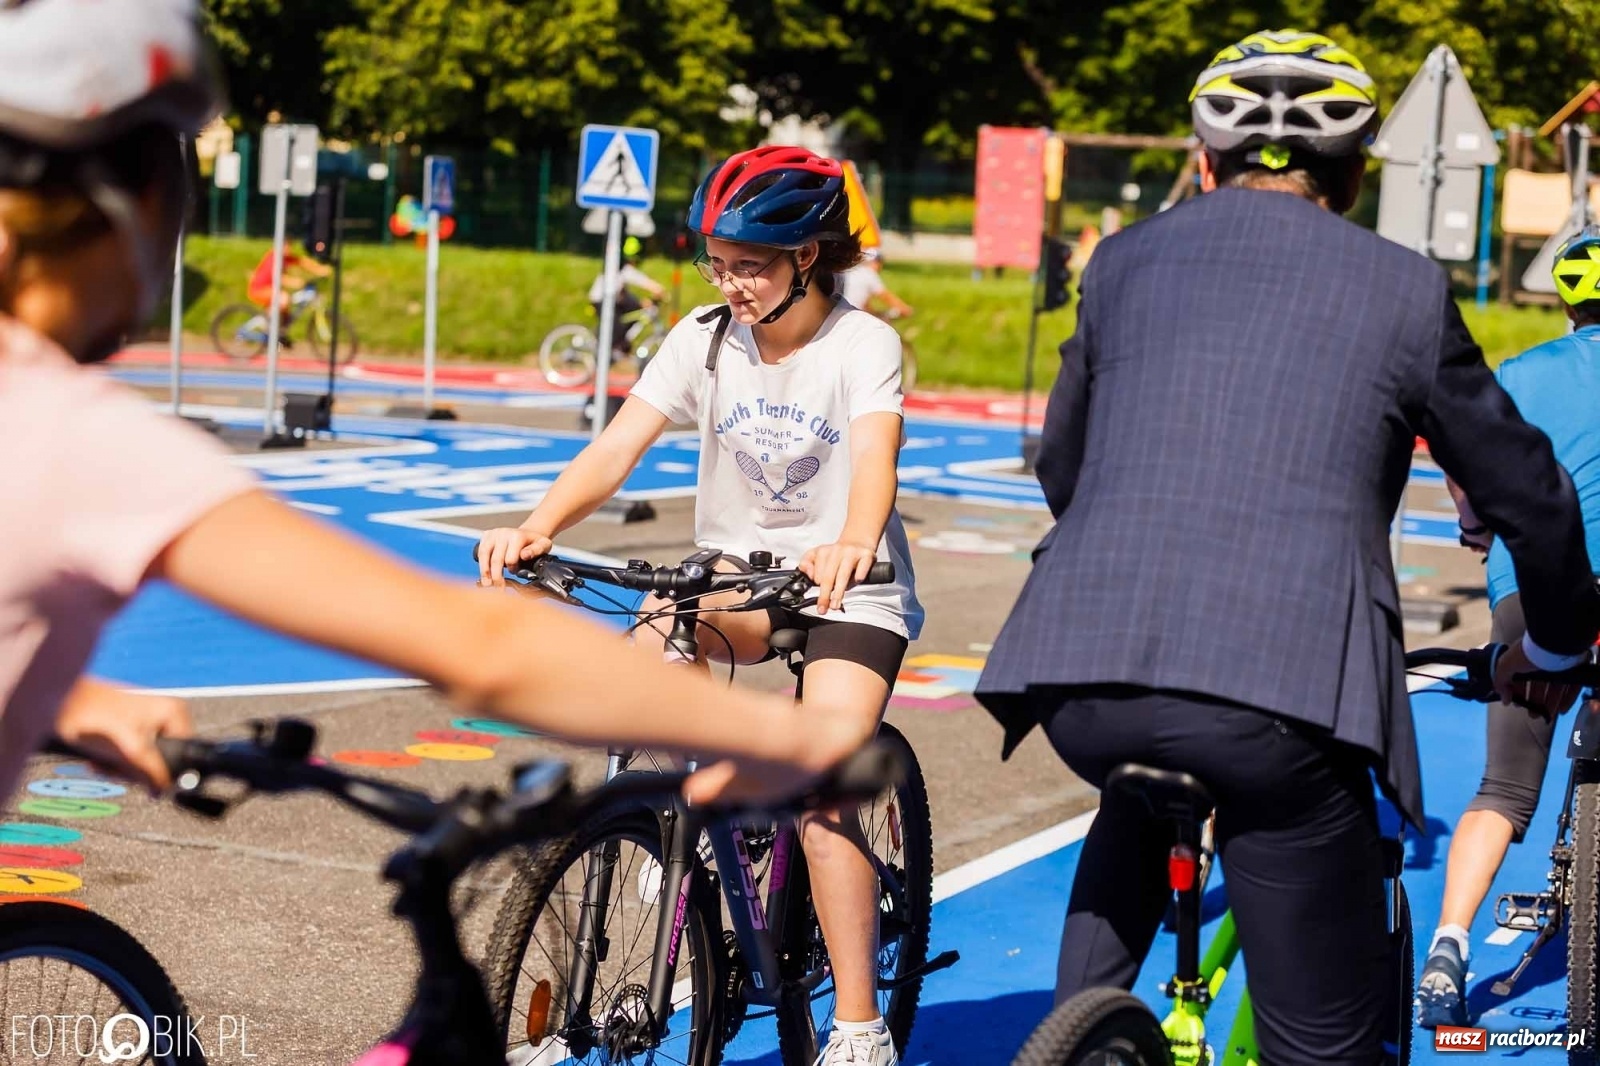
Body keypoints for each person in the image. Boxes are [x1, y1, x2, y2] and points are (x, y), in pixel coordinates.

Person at [0, 0, 877, 829]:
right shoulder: (84, 440)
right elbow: (479, 646)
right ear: (138, 208)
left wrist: (68, 699)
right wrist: (793, 741)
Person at [972, 29, 1600, 1065]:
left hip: (1081, 670)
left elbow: (1061, 471)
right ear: (1354, 175)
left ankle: (1076, 1029)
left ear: (1204, 159)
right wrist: (1558, 646)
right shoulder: (1401, 287)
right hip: (1286, 689)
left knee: (1137, 779)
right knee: (1323, 1038)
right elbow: (1526, 493)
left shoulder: (1123, 260)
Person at [477, 143, 924, 1066]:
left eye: (750, 265)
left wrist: (853, 539)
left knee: (829, 791)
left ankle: (856, 1026)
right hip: (743, 576)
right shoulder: (704, 337)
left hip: (849, 587)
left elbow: (876, 459)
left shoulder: (862, 345)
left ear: (807, 256)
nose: (732, 282)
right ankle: (700, 822)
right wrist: (537, 525)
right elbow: (616, 449)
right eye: (716, 261)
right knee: (652, 629)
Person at [1417, 224, 1600, 1027]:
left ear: (1564, 295)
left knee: (1503, 784)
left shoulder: (1524, 373)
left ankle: (1445, 956)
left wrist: (1475, 524)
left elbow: (1456, 451)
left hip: (1537, 585)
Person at [587, 234, 666, 354]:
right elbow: (639, 279)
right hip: (601, 299)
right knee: (616, 327)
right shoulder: (622, 269)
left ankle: (619, 346)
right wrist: (657, 289)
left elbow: (626, 293)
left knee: (635, 310)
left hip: (614, 299)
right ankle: (605, 353)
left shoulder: (621, 269)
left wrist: (642, 302)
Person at [247, 242, 331, 321]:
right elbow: (277, 277)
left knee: (285, 306)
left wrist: (320, 269)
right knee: (284, 298)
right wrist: (294, 282)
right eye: (286, 246)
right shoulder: (273, 258)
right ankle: (270, 326)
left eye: (289, 246)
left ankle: (279, 327)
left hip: (272, 290)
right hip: (259, 290)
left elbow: (303, 262)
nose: (288, 249)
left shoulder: (285, 257)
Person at [838, 247, 913, 319]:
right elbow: (886, 296)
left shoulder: (853, 272)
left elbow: (864, 304)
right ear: (876, 263)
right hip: (851, 316)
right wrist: (905, 309)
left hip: (840, 312)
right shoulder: (869, 274)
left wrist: (876, 314)